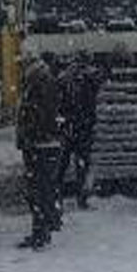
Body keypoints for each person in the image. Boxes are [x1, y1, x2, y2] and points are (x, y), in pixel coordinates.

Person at [16, 52, 63, 250]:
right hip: (44, 144)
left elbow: (38, 115)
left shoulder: (38, 83)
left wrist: (30, 135)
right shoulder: (43, 81)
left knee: (39, 190)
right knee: (44, 188)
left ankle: (41, 231)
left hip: (39, 145)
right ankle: (45, 227)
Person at [57, 50, 106, 212]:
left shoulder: (64, 77)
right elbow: (102, 77)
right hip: (83, 127)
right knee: (82, 165)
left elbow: (59, 100)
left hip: (67, 126)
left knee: (61, 166)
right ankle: (81, 199)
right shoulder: (90, 77)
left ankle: (57, 199)